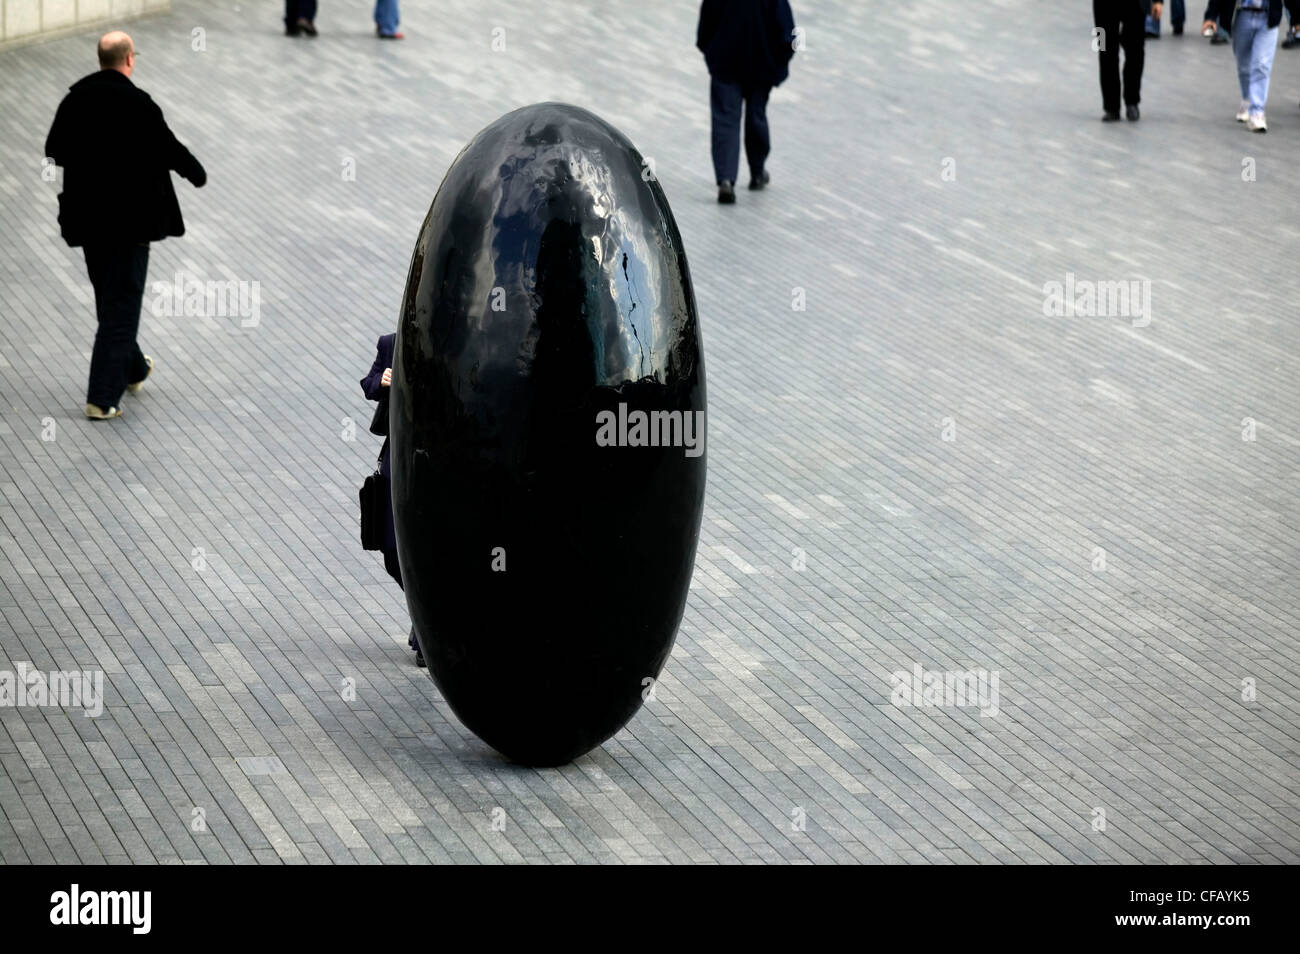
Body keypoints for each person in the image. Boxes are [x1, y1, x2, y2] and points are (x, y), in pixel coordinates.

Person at [45, 31, 206, 421]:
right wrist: (196, 173)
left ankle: (134, 368)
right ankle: (102, 398)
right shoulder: (139, 104)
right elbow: (169, 149)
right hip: (132, 226)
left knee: (111, 300)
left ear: (101, 59)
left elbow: (54, 149)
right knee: (121, 306)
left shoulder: (74, 100)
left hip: (89, 224)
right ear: (129, 59)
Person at [696, 0, 797, 205]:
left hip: (725, 63)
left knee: (725, 120)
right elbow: (787, 33)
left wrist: (711, 51)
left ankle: (726, 180)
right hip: (762, 66)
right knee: (756, 116)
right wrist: (778, 64)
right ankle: (757, 172)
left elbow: (707, 23)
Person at [360, 334, 422, 666]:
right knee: (390, 549)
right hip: (397, 455)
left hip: (434, 460)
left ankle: (426, 632)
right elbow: (368, 384)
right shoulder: (391, 344)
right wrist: (381, 381)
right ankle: (421, 613)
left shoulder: (453, 345)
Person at [1205, 0, 1284, 132]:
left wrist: (1296, 19)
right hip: (1242, 15)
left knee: (1261, 65)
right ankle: (1247, 98)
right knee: (1244, 66)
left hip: (1268, 16)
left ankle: (1257, 111)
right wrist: (1210, 16)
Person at [1094, 1, 1162, 122]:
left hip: (1135, 4)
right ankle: (1111, 107)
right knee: (1104, 50)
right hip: (1103, 6)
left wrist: (1158, 1)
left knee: (1135, 51)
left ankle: (1132, 101)